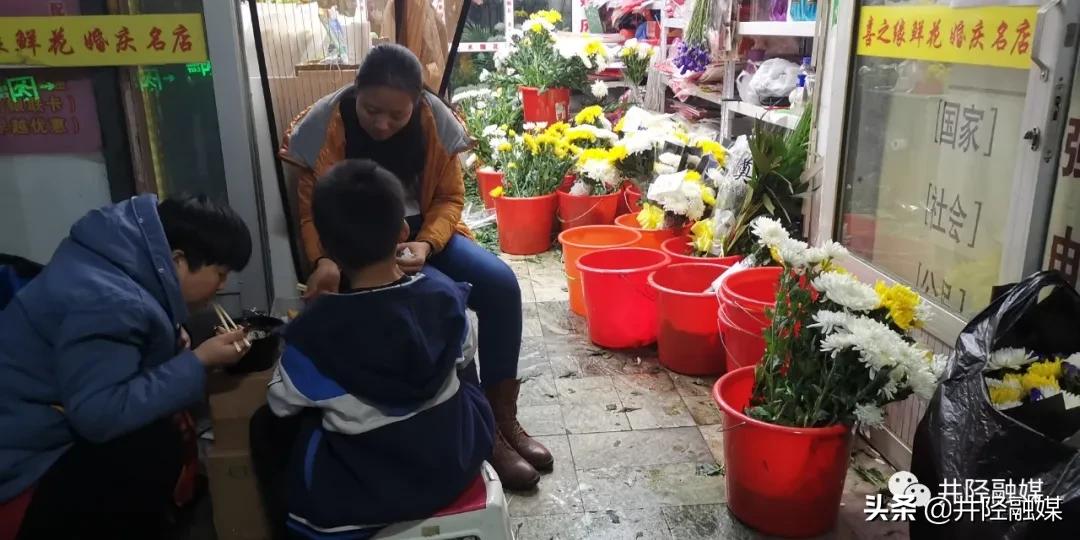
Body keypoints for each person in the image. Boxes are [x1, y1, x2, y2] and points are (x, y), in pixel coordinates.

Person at [280, 43, 550, 489]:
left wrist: (425, 243)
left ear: (418, 103)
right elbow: (313, 212)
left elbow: (449, 198)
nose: (382, 123)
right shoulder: (325, 128)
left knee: (501, 285)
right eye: (371, 110)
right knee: (442, 305)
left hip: (423, 234)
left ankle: (504, 418)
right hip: (364, 246)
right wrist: (324, 260)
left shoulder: (435, 123)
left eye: (396, 115)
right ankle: (482, 434)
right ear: (355, 91)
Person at [256, 160, 494, 538]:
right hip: (454, 463)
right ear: (402, 230)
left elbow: (281, 403)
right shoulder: (445, 298)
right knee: (463, 376)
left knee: (271, 427)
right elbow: (466, 354)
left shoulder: (312, 335)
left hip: (365, 498)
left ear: (326, 247)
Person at [0, 194, 253, 539]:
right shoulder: (111, 300)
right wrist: (199, 361)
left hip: (38, 427)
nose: (223, 286)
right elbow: (99, 415)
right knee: (150, 446)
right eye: (219, 274)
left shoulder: (114, 259)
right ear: (177, 261)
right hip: (22, 461)